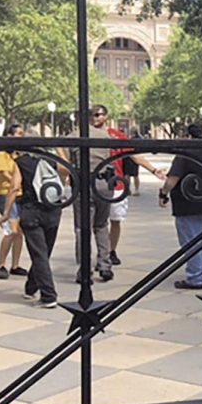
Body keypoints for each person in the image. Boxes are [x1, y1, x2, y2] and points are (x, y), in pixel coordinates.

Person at [0, 139, 61, 308]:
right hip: (53, 209)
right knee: (44, 252)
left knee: (39, 254)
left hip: (32, 210)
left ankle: (48, 296)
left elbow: (14, 186)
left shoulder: (22, 162)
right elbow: (65, 173)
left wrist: (6, 212)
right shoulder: (50, 159)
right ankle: (31, 287)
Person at [159, 123, 202, 289]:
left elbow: (173, 179)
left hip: (188, 202)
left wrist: (163, 193)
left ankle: (194, 278)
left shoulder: (185, 153)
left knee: (191, 241)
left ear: (188, 136)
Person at [61, 104, 115, 282]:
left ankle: (85, 269)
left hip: (83, 182)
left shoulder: (73, 136)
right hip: (104, 183)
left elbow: (64, 165)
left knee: (82, 228)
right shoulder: (104, 136)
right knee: (101, 225)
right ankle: (105, 265)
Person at [106, 125, 164, 266]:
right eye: (91, 115)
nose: (95, 118)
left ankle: (111, 251)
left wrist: (154, 170)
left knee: (115, 220)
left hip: (116, 183)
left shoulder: (116, 136)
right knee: (95, 223)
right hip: (94, 183)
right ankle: (101, 254)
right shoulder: (87, 134)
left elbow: (135, 156)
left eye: (98, 114)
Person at [0, 123, 28, 279]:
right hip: (5, 194)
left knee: (19, 231)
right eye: (18, 133)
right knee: (11, 230)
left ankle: (15, 264)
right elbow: (5, 174)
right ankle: (1, 264)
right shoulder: (1, 153)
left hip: (19, 194)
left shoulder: (16, 154)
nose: (21, 136)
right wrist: (19, 181)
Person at [126, 127, 142, 196]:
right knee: (135, 175)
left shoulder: (130, 139)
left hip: (128, 158)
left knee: (127, 175)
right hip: (136, 158)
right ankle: (136, 190)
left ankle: (128, 190)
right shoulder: (140, 139)